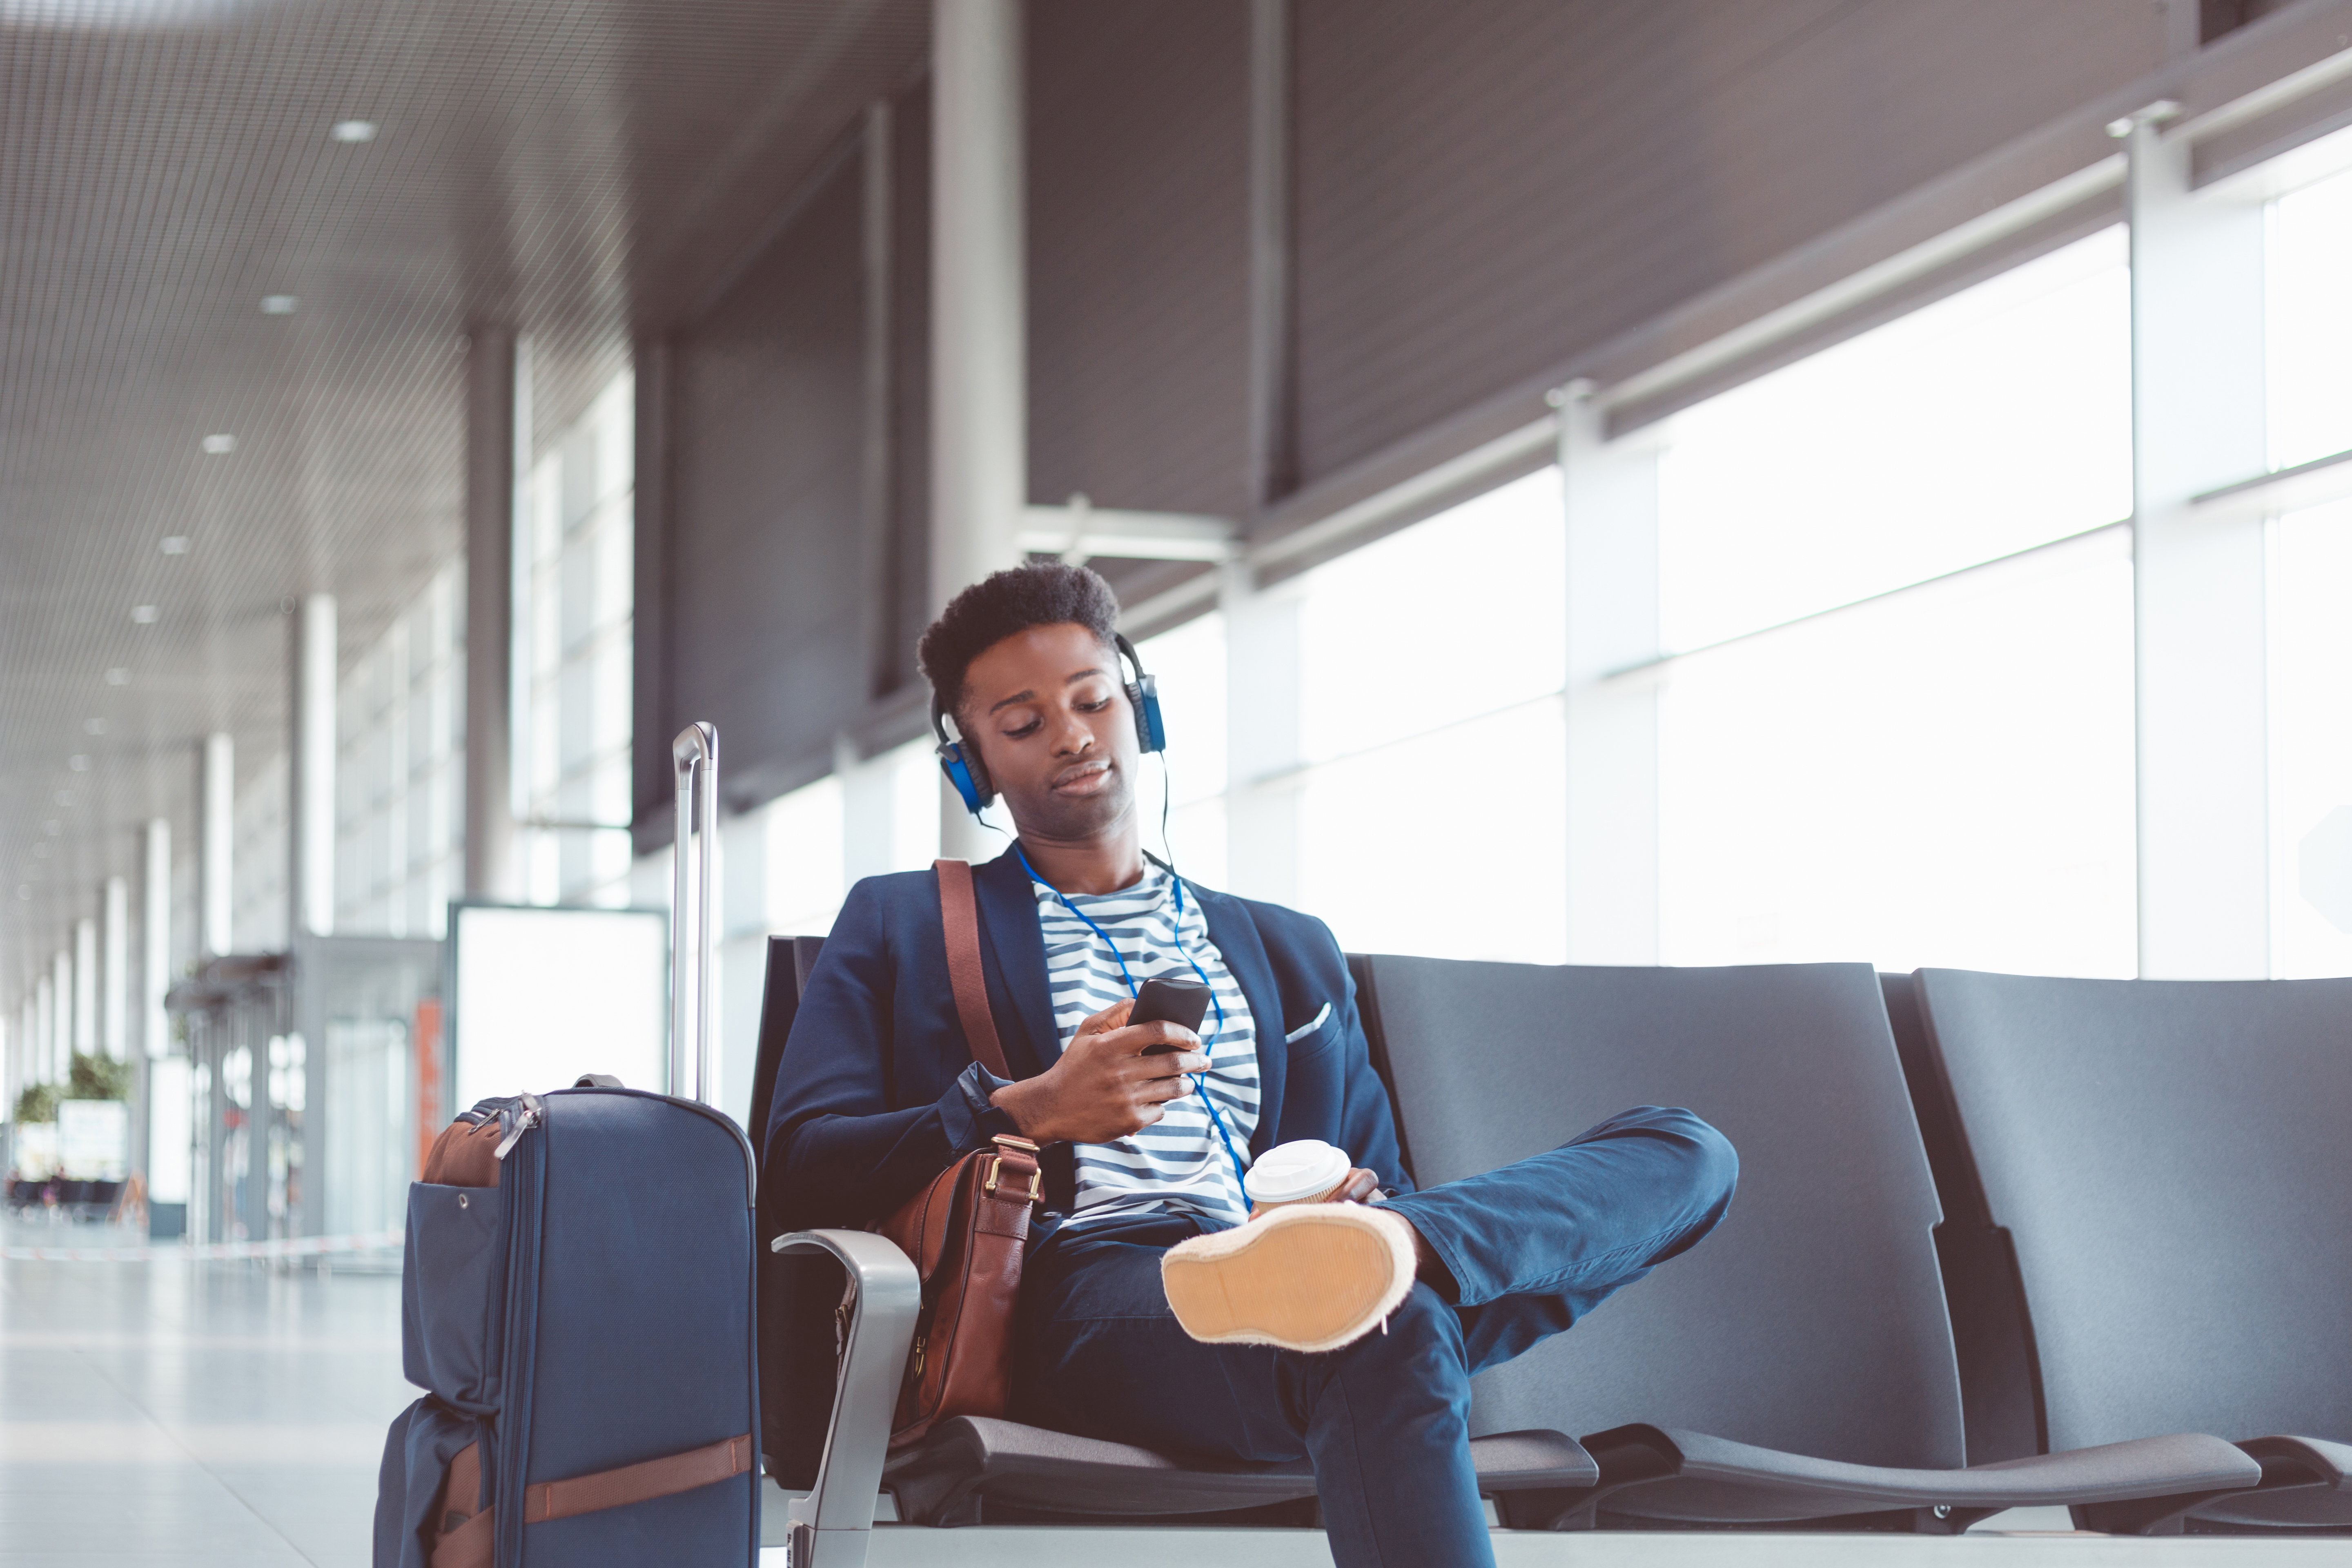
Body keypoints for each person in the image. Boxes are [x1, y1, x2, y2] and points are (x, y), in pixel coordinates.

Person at [766, 562, 1737, 1567]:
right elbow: (802, 1163)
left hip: (1289, 1267)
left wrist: (1367, 1204)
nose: (1071, 734)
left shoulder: (1286, 947)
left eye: (1094, 700)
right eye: (1022, 724)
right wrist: (1030, 1109)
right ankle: (1358, 1274)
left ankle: (1379, 1254)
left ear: (1140, 710)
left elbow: (1371, 1161)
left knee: (1688, 1150)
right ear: (972, 769)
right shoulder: (907, 920)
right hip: (1095, 1288)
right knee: (1379, 1322)